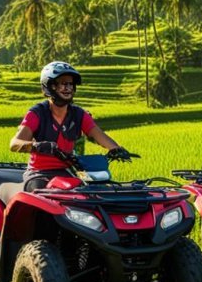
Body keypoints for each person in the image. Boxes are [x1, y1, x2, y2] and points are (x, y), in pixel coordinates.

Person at [10, 61, 132, 191]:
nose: (68, 88)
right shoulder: (37, 113)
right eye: (63, 83)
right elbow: (14, 144)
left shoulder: (79, 114)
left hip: (69, 170)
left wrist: (117, 149)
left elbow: (98, 134)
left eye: (71, 84)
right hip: (39, 173)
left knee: (95, 192)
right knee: (41, 197)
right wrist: (36, 146)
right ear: (50, 86)